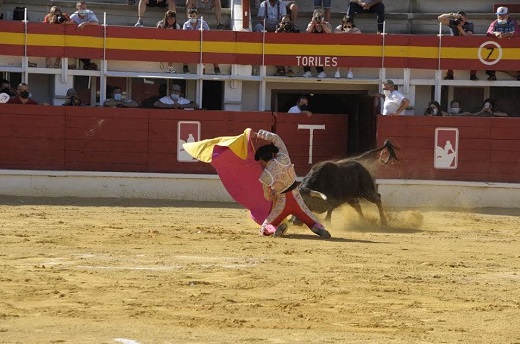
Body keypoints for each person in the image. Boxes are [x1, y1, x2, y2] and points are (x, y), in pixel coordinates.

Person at [253, 129, 331, 238]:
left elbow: (267, 197)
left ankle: (273, 229)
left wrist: (273, 194)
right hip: (297, 198)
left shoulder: (265, 175)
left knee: (264, 227)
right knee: (311, 220)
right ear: (272, 154)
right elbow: (276, 138)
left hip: (282, 204)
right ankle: (317, 227)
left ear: (261, 159)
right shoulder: (284, 157)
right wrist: (258, 134)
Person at [438, 11, 478, 80]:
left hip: (466, 46)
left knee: (475, 54)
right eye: (458, 20)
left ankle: (473, 74)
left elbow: (469, 37)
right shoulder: (453, 23)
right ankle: (449, 74)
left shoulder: (469, 24)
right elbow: (440, 18)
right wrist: (451, 15)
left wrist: (460, 29)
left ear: (465, 19)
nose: (459, 21)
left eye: (461, 20)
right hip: (454, 46)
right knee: (448, 54)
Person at [182, 8, 221, 75]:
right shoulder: (186, 24)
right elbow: (184, 36)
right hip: (191, 44)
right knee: (185, 48)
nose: (192, 17)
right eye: (190, 16)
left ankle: (216, 68)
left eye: (193, 16)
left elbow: (208, 33)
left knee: (212, 49)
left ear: (197, 16)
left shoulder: (203, 23)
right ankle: (185, 67)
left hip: (202, 43)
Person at [486, 7, 520, 81]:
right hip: (498, 48)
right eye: (499, 15)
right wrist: (495, 33)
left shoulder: (513, 22)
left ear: (508, 15)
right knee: (490, 55)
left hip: (511, 47)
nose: (501, 17)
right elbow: (488, 33)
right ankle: (492, 74)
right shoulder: (494, 23)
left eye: (503, 15)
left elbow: (518, 33)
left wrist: (508, 34)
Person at [303, 9, 331, 78]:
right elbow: (307, 32)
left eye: (320, 16)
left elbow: (329, 32)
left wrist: (322, 24)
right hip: (312, 46)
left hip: (324, 46)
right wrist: (313, 23)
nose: (318, 18)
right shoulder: (311, 24)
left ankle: (321, 72)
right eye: (317, 16)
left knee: (318, 53)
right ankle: (307, 71)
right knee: (306, 51)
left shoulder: (326, 24)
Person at [70, 2, 99, 70]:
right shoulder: (74, 16)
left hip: (90, 39)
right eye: (81, 8)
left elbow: (96, 23)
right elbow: (69, 23)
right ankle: (86, 64)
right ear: (77, 8)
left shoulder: (89, 13)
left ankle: (87, 64)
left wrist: (85, 23)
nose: (83, 10)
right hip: (77, 40)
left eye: (84, 8)